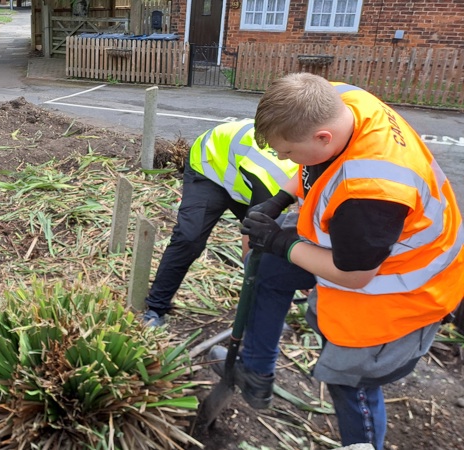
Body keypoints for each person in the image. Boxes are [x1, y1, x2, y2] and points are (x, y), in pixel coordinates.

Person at [214, 72, 464, 449]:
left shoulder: (372, 192)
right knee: (267, 268)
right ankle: (256, 372)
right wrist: (277, 201)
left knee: (351, 383)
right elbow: (311, 167)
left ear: (322, 138)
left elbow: (355, 275)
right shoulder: (340, 101)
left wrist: (280, 241)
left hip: (400, 288)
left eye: (288, 152)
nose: (284, 160)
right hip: (363, 247)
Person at [142, 119, 298, 326]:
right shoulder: (272, 175)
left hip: (245, 180)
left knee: (275, 244)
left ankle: (265, 309)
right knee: (190, 238)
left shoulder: (309, 170)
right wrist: (255, 276)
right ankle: (156, 308)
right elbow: (251, 239)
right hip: (210, 168)